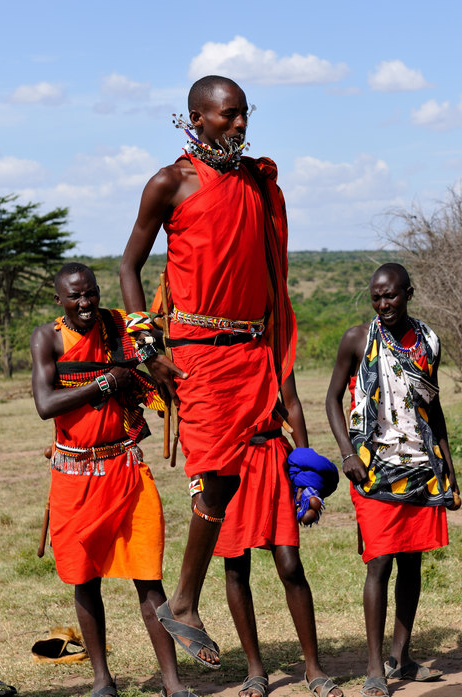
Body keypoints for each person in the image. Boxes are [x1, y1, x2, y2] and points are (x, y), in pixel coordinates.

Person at [120, 74, 295, 670]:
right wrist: (146, 346)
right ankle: (187, 603)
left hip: (251, 350)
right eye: (228, 115)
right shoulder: (170, 182)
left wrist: (277, 356)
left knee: (230, 478)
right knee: (214, 474)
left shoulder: (255, 182)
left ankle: (186, 600)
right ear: (195, 118)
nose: (240, 125)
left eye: (245, 114)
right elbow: (129, 265)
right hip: (197, 351)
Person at [29, 262, 196, 697]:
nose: (85, 304)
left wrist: (151, 361)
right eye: (74, 297)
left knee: (149, 578)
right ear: (58, 300)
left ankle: (172, 682)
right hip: (75, 476)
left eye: (91, 293)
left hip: (125, 468)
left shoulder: (119, 327)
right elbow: (46, 403)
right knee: (84, 580)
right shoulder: (47, 337)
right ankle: (102, 679)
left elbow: (152, 355)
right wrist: (106, 382)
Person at [325, 263, 459, 697]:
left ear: (409, 293)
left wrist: (448, 467)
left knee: (412, 562)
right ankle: (374, 668)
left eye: (391, 297)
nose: (383, 305)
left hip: (420, 465)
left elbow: (431, 407)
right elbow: (330, 400)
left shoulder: (428, 342)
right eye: (376, 297)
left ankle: (401, 658)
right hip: (372, 467)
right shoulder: (357, 339)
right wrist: (347, 453)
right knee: (379, 563)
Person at [212, 373, 343, 697]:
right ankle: (255, 668)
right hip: (229, 461)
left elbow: (293, 404)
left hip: (273, 456)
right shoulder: (211, 349)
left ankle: (313, 667)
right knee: (236, 567)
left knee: (290, 566)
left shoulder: (272, 349)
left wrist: (306, 474)